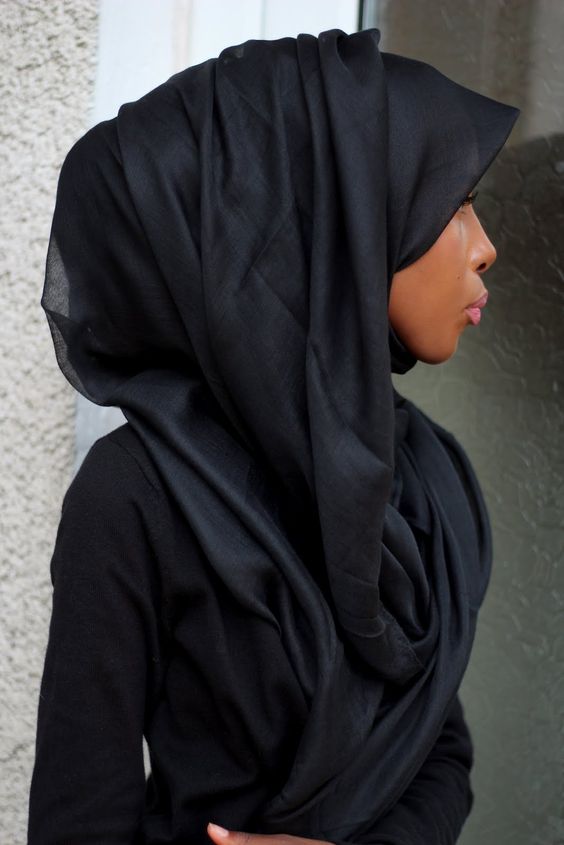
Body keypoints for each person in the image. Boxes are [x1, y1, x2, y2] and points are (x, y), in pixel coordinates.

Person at [28, 27, 519, 845]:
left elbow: (441, 754)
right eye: (453, 202)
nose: (486, 247)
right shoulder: (137, 495)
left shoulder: (422, 474)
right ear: (336, 222)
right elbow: (79, 822)